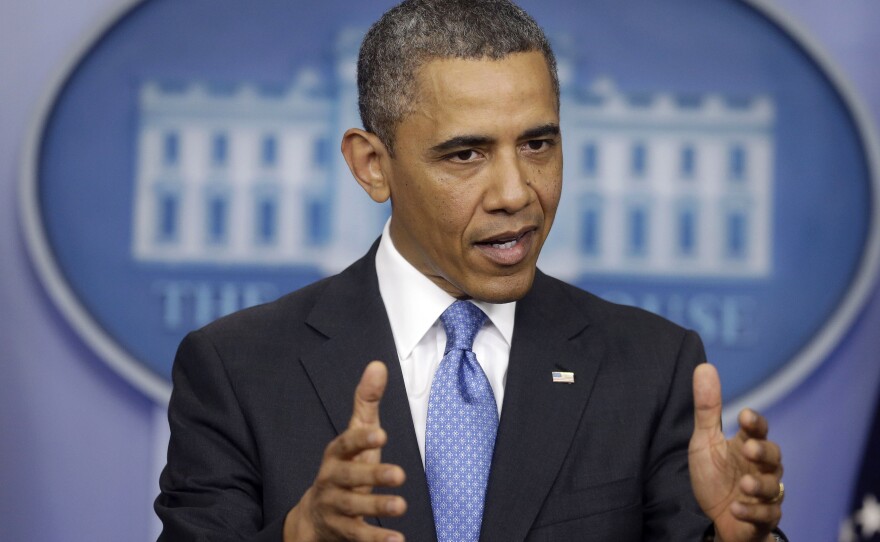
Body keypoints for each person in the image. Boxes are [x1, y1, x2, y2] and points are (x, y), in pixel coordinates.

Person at [155, 1, 786, 540]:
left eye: (538, 144)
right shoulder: (239, 369)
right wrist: (300, 536)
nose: (516, 192)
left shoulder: (652, 365)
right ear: (373, 165)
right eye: (466, 154)